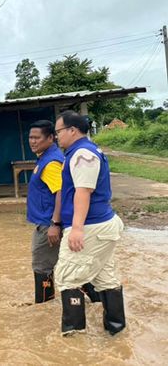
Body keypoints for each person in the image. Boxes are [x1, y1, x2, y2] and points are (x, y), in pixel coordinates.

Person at [54, 110, 126, 336]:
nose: (57, 137)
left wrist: (76, 229)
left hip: (90, 225)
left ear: (72, 130)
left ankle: (74, 336)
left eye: (58, 132)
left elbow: (83, 192)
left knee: (68, 277)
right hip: (101, 225)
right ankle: (116, 332)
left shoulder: (82, 154)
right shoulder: (82, 151)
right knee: (106, 277)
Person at [26, 120, 64, 304]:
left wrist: (55, 224)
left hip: (48, 224)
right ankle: (96, 301)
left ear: (50, 138)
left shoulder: (51, 163)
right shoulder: (46, 157)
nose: (32, 141)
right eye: (30, 137)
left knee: (42, 267)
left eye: (37, 137)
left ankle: (43, 307)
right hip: (46, 222)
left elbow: (61, 192)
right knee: (64, 264)